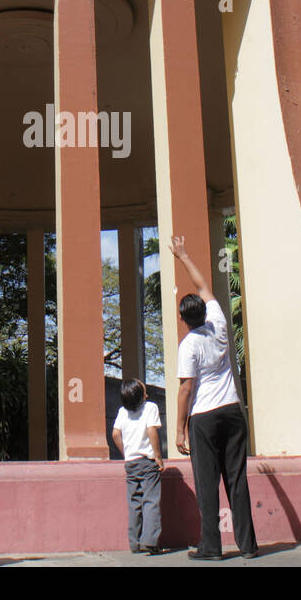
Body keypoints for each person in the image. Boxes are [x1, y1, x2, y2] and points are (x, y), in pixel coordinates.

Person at [169, 235, 258, 560]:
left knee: (207, 484)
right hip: (233, 412)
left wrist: (179, 429)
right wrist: (183, 255)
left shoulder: (189, 345)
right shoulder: (218, 322)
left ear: (183, 319)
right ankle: (248, 546)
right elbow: (203, 284)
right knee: (236, 479)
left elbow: (186, 389)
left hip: (205, 417)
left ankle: (211, 547)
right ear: (204, 311)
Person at [112, 378, 164, 554]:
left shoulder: (121, 412)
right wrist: (158, 456)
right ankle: (150, 541)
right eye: (144, 390)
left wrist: (126, 452)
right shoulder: (150, 407)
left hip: (131, 462)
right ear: (142, 397)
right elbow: (152, 431)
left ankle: (134, 543)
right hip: (147, 461)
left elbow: (115, 434)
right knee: (151, 500)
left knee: (134, 501)